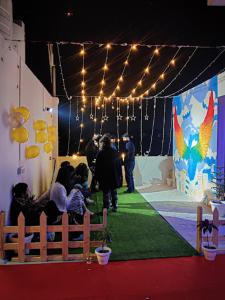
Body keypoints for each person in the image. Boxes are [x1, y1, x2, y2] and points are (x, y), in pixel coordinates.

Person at [95, 135, 122, 212]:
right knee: (114, 191)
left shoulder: (101, 153)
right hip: (114, 176)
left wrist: (97, 178)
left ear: (103, 143)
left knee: (106, 193)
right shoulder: (115, 152)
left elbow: (98, 167)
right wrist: (119, 176)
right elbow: (119, 165)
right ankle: (115, 206)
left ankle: (105, 209)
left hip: (105, 176)